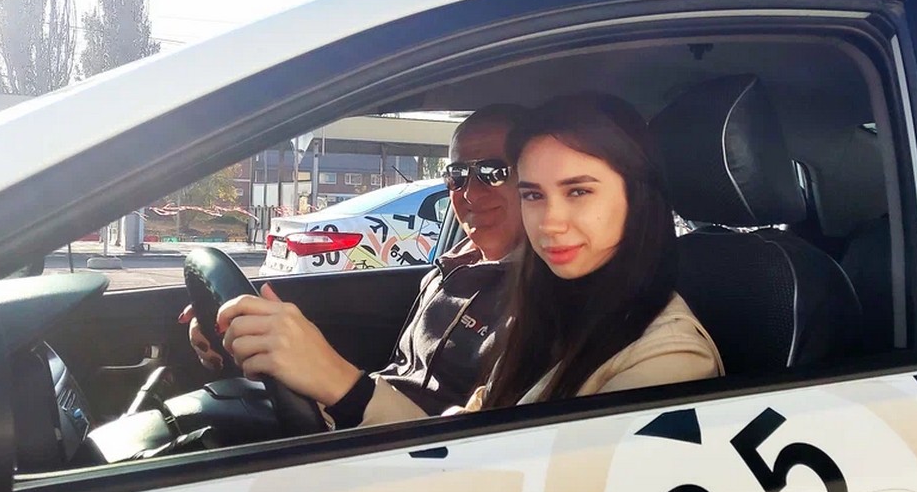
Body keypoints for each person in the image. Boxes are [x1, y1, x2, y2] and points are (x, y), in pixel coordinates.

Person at [209, 93, 722, 426]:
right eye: (534, 194)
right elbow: (465, 431)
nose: (549, 222)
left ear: (638, 196)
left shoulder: (668, 358)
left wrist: (340, 384)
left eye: (579, 191)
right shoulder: (548, 307)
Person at [181, 104, 525, 426]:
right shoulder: (449, 269)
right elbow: (399, 378)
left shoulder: (538, 309)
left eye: (492, 172)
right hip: (366, 429)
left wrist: (342, 386)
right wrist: (248, 330)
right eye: (457, 175)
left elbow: (469, 451)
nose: (470, 193)